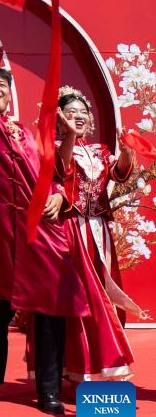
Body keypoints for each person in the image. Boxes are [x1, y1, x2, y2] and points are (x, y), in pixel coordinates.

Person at [0, 0, 87, 414]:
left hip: (41, 232)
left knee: (50, 310)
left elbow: (56, 176)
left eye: (2, 85)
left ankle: (48, 390)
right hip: (2, 228)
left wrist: (57, 195)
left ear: (10, 95)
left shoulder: (31, 133)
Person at [54, 87, 143, 381]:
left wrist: (127, 154)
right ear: (60, 119)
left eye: (83, 113)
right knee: (83, 297)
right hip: (72, 230)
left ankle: (103, 362)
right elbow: (61, 170)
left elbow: (118, 175)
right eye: (71, 113)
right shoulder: (55, 146)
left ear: (90, 120)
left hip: (99, 230)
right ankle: (78, 365)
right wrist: (67, 136)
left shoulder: (100, 151)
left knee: (103, 290)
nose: (78, 117)